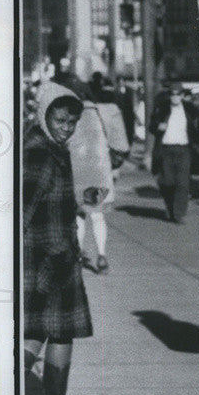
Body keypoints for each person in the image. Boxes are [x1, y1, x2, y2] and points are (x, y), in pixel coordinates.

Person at [24, 82, 92, 395]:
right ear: (44, 114)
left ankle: (25, 394)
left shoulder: (46, 147)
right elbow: (21, 209)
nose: (66, 128)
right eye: (60, 120)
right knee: (60, 329)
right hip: (50, 257)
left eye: (71, 123)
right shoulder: (39, 152)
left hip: (52, 255)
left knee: (37, 327)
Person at [68, 98, 115, 273]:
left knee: (79, 215)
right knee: (98, 215)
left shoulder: (70, 116)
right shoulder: (103, 113)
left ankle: (78, 255)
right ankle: (102, 255)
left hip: (78, 171)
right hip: (99, 172)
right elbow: (117, 141)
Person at [149, 80, 199, 224]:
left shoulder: (190, 110)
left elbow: (196, 129)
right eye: (172, 94)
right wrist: (158, 126)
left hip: (184, 150)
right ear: (169, 96)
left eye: (178, 94)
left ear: (182, 95)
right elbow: (151, 126)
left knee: (183, 183)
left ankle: (178, 214)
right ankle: (170, 206)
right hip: (166, 149)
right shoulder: (162, 109)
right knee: (168, 182)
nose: (175, 97)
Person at [115, 76, 136, 148]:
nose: (121, 83)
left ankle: (128, 148)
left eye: (122, 81)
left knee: (129, 132)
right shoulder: (116, 92)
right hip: (120, 116)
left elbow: (132, 103)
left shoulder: (129, 91)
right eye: (120, 82)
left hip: (128, 115)